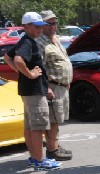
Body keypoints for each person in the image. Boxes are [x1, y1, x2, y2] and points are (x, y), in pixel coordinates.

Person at [4, 12, 61, 170]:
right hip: (34, 92)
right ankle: (39, 160)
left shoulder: (25, 41)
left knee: (30, 126)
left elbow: (8, 57)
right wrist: (30, 74)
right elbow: (17, 60)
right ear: (26, 26)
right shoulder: (28, 42)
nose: (40, 29)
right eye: (36, 26)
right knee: (37, 127)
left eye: (41, 26)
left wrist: (22, 73)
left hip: (30, 90)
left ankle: (35, 158)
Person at [37, 10, 73, 162]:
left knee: (57, 119)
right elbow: (41, 67)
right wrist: (47, 87)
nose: (52, 26)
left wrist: (67, 81)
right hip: (53, 85)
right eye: (49, 23)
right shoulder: (40, 42)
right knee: (52, 119)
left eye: (54, 23)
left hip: (62, 85)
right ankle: (52, 150)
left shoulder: (56, 39)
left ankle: (55, 145)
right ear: (42, 25)